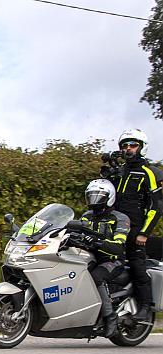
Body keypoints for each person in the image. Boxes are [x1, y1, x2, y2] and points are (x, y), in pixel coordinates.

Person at [101, 129, 163, 324]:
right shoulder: (120, 171)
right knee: (105, 264)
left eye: (133, 145)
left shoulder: (149, 172)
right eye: (125, 146)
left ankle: (145, 307)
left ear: (142, 148)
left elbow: (157, 206)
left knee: (137, 266)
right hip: (114, 227)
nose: (128, 149)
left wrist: (144, 233)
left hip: (136, 229)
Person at [68, 179, 130, 338]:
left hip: (112, 259)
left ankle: (110, 317)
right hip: (89, 256)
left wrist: (98, 241)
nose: (94, 200)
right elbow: (76, 231)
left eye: (99, 196)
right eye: (91, 196)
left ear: (109, 198)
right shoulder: (87, 215)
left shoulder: (120, 218)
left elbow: (118, 245)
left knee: (96, 277)